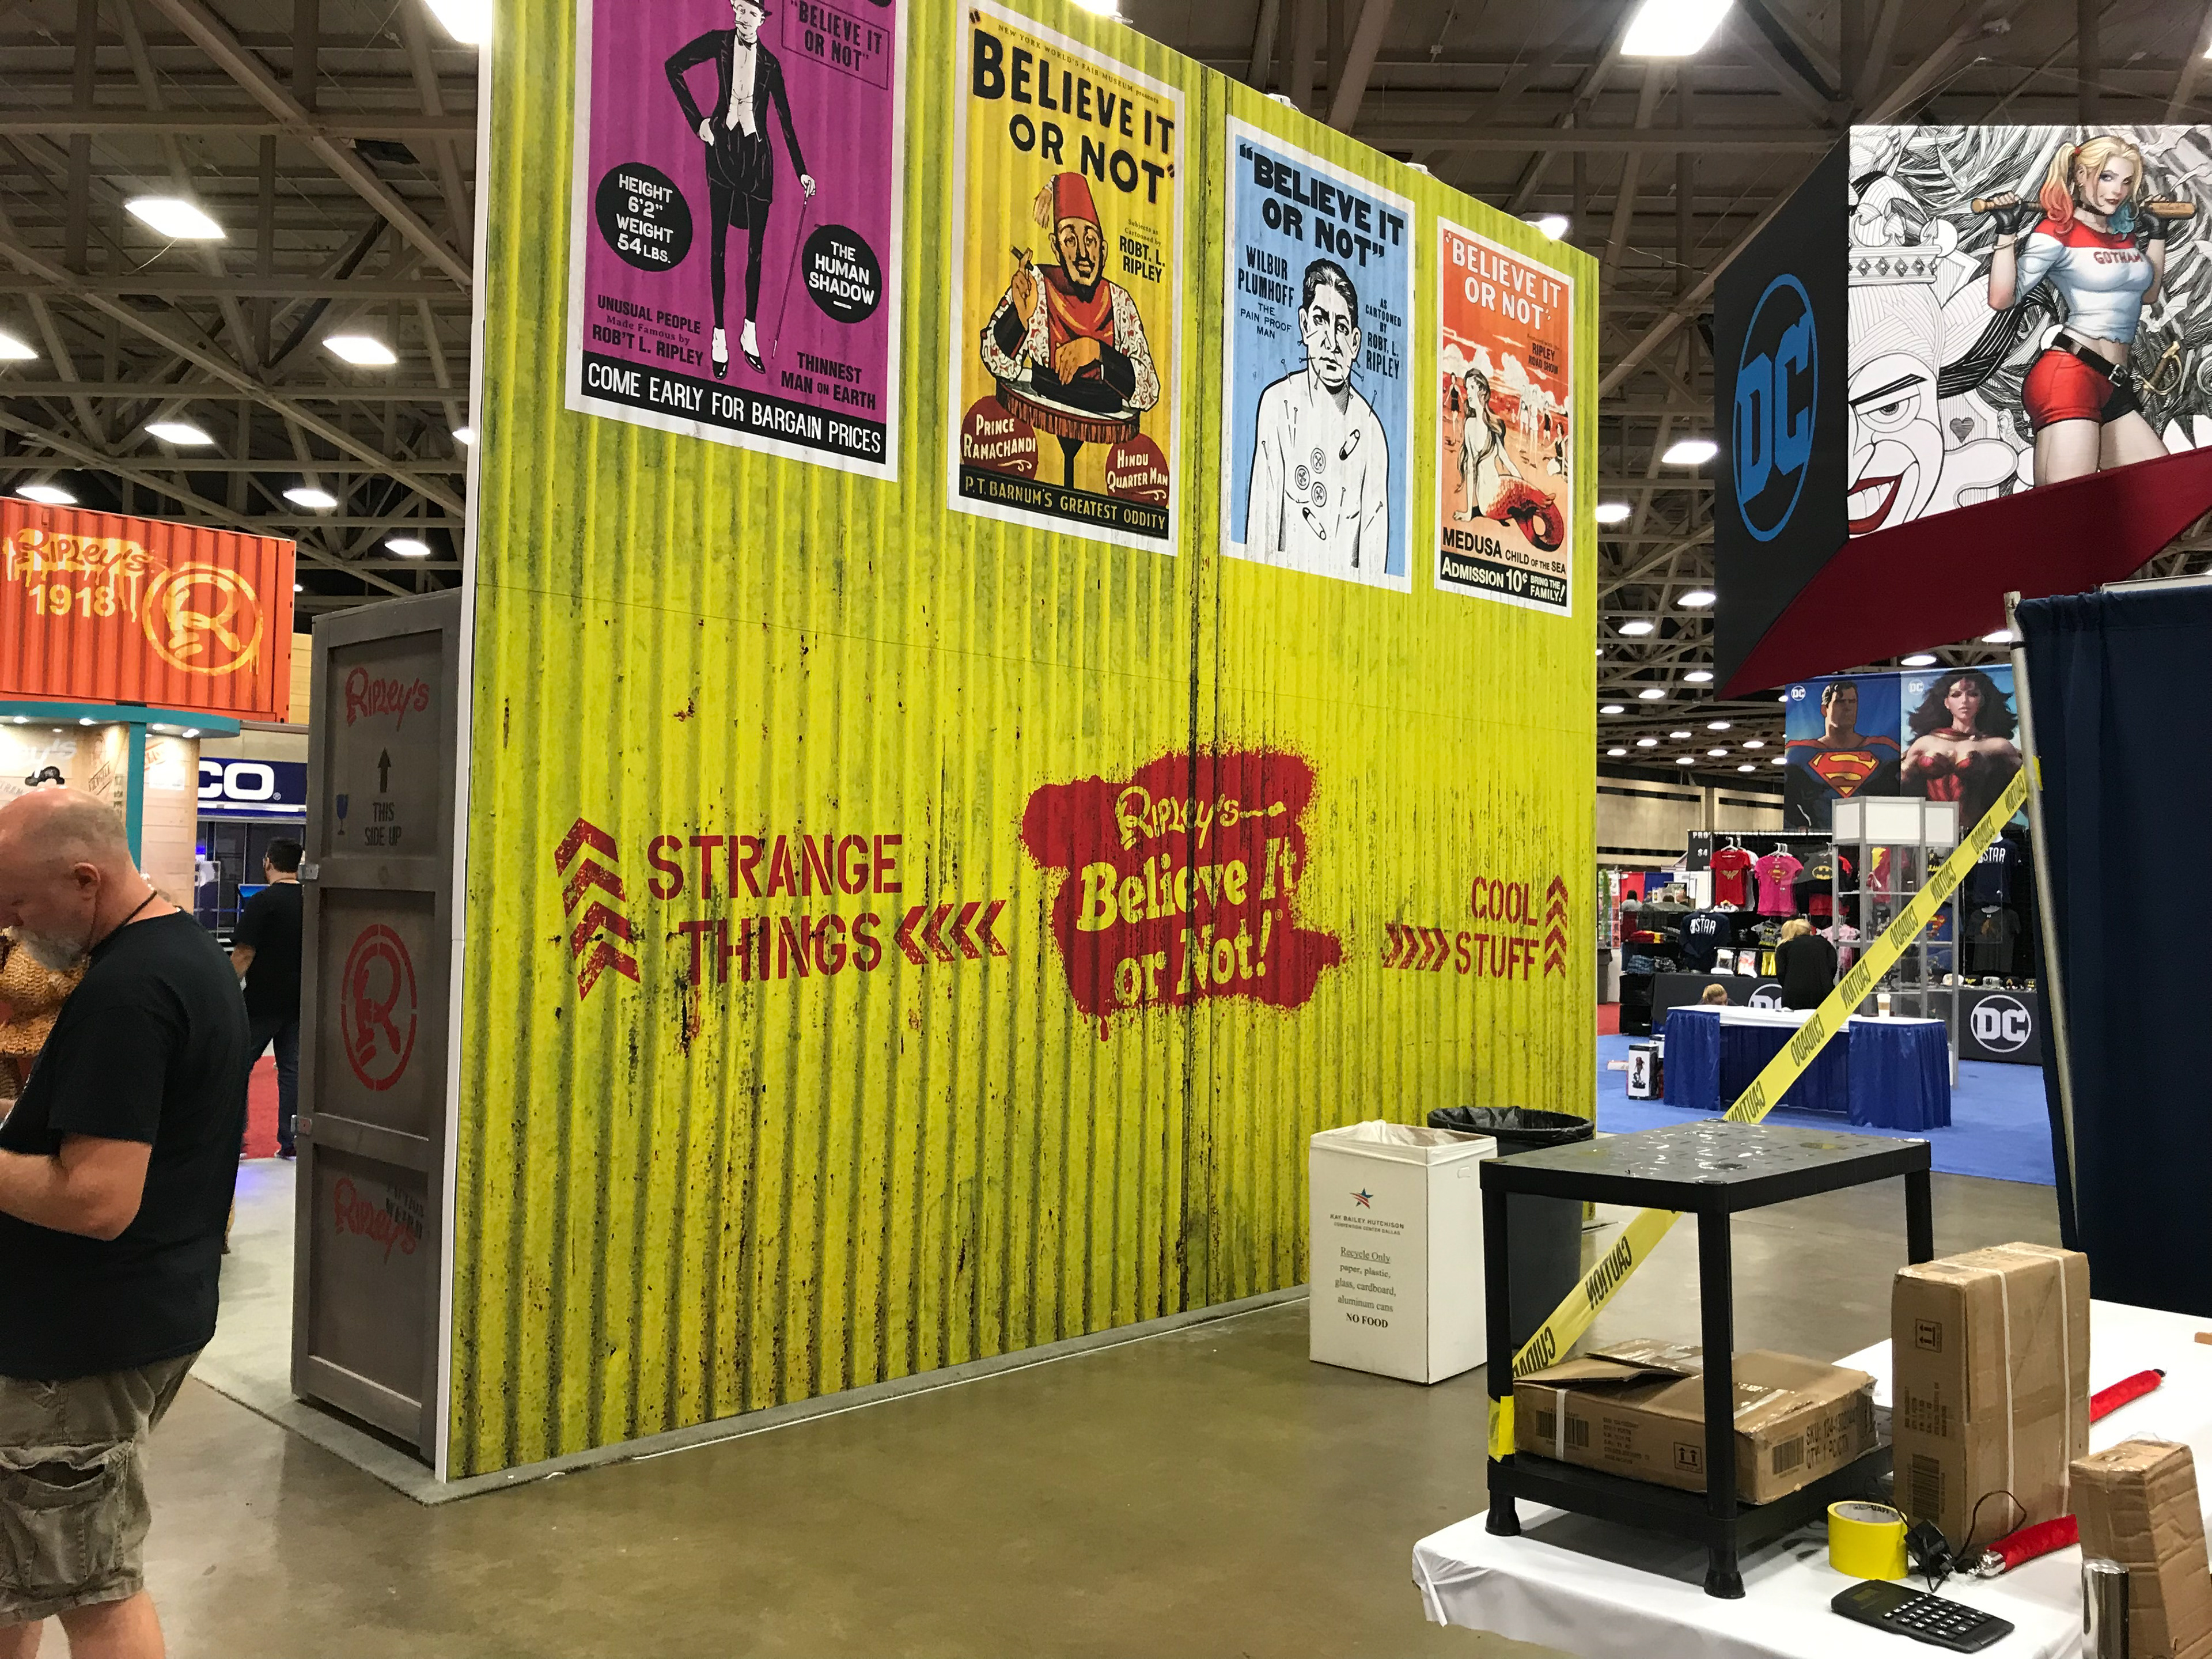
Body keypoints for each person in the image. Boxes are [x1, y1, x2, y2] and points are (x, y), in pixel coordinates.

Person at [0, 789, 248, 1658]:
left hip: (83, 1344)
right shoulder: (179, 953)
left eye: (19, 900)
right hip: (127, 1313)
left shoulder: (129, 993)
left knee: (92, 1589)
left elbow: (97, 1200)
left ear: (85, 878)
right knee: (27, 1564)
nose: (12, 923)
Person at [1986, 134, 2177, 487]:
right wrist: (2007, 233)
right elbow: (2002, 298)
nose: (2117, 191)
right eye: (2107, 177)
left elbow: (2148, 294)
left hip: (2113, 380)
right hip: (2069, 376)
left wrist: (2158, 234)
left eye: (2126, 181)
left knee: (2165, 486)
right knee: (2065, 508)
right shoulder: (2055, 232)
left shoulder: (2123, 234)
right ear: (2080, 175)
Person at [666, 0, 816, 378]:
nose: (741, 18)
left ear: (763, 19)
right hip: (721, 149)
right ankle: (718, 334)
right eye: (738, 9)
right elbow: (674, 67)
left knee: (756, 251)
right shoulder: (718, 42)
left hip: (758, 159)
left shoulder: (772, 65)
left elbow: (785, 119)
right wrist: (697, 122)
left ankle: (749, 331)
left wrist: (802, 172)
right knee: (718, 245)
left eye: (750, 12)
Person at [1245, 259, 1388, 577]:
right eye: (1321, 321)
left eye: (1341, 328)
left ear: (1355, 343)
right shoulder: (1277, 405)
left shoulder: (1372, 433)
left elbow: (1374, 568)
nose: (1332, 342)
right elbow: (1259, 540)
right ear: (1304, 325)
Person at [981, 172, 1162, 421]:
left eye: (1090, 240)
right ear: (1056, 248)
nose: (1083, 254)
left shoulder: (1120, 301)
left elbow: (1149, 390)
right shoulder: (1035, 286)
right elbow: (996, 363)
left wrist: (1096, 351)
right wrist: (1019, 318)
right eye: (1070, 240)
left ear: (1104, 250)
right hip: (1041, 413)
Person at [230, 839, 303, 1160]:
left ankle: (235, 1139)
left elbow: (244, 953)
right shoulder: (312, 900)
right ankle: (292, 1140)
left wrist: (225, 990)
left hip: (261, 1002)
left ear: (268, 862)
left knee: (237, 1066)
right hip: (299, 1002)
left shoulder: (263, 902)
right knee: (291, 1071)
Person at [1900, 670, 2022, 828]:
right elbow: (1899, 786)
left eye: (1973, 694)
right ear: (1946, 702)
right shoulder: (1925, 743)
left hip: (1986, 832)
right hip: (1932, 830)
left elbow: (2026, 789)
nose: (1964, 701)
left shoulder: (1998, 746)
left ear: (1982, 701)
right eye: (1956, 695)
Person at [1773, 916, 1838, 1011]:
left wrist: (1789, 984)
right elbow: (1833, 967)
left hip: (1793, 995)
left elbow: (1781, 973)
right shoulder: (1824, 943)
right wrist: (1825, 980)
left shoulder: (1784, 947)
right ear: (1809, 930)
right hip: (1823, 992)